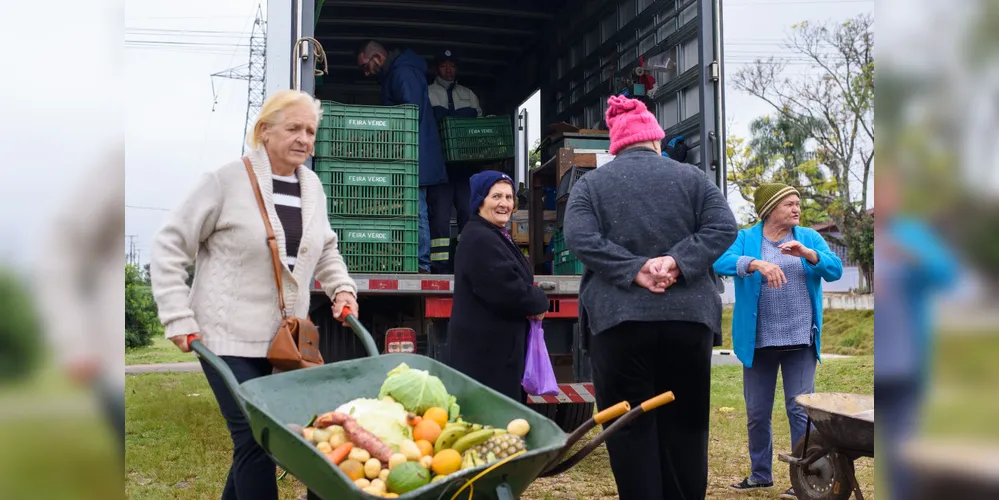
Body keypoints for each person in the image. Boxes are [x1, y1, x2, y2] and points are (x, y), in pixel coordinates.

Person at [149, 89, 360, 500]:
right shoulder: (225, 181)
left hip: (284, 342)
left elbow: (326, 248)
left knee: (265, 438)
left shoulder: (311, 186)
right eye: (294, 128)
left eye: (311, 131)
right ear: (264, 131)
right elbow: (169, 245)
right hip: (225, 337)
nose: (304, 139)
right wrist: (177, 315)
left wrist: (342, 289)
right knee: (258, 439)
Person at [563, 95, 738, 500]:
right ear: (655, 141)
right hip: (687, 321)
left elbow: (579, 238)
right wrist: (677, 262)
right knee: (686, 428)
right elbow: (723, 226)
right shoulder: (693, 179)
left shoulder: (591, 184)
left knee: (630, 429)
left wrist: (634, 269)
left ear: (616, 145)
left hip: (620, 324)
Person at [712, 183, 844, 499]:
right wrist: (755, 263)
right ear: (771, 209)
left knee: (800, 411)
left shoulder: (808, 237)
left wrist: (809, 255)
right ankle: (760, 475)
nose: (797, 209)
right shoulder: (747, 238)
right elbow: (720, 262)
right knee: (757, 412)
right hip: (758, 343)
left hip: (800, 340)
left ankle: (803, 475)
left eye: (798, 203)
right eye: (789, 204)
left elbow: (835, 270)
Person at [872, 165, 957, 500]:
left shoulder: (913, 234)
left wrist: (913, 256)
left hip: (906, 365)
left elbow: (947, 276)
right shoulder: (868, 235)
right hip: (874, 368)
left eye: (891, 191)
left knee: (903, 453)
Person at [446, 170, 549, 402]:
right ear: (480, 201)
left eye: (509, 197)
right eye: (496, 197)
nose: (504, 203)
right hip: (486, 361)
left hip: (497, 356)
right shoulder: (480, 238)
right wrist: (540, 299)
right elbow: (506, 290)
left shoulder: (494, 234)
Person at [357, 40, 448, 274]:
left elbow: (409, 114)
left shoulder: (403, 72)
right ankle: (415, 261)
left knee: (416, 209)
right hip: (410, 154)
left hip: (415, 156)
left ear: (377, 57)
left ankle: (421, 265)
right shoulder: (397, 73)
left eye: (366, 66)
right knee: (411, 209)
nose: (366, 73)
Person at [427, 48, 484, 272]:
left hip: (466, 169)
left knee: (468, 216)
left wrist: (448, 117)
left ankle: (465, 263)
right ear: (436, 68)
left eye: (452, 66)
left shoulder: (469, 95)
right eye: (443, 66)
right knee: (440, 219)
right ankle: (440, 267)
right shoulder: (428, 92)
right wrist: (461, 117)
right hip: (439, 169)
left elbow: (479, 125)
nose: (448, 70)